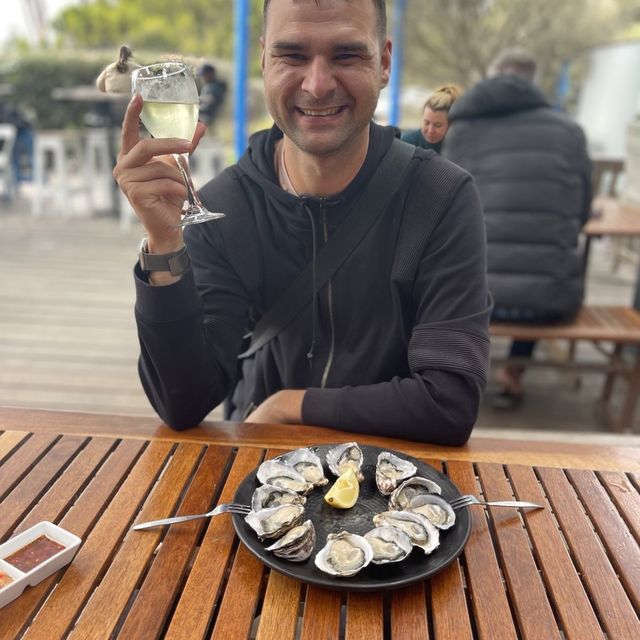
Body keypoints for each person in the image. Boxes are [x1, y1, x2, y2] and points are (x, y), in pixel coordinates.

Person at [113, 0, 491, 445]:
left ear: (384, 62)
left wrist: (292, 405)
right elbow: (183, 404)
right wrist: (163, 243)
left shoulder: (440, 196)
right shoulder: (225, 205)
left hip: (392, 482)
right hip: (261, 481)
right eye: (292, 56)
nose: (317, 84)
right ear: (263, 60)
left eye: (346, 55)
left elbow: (449, 402)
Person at [442, 49, 592, 409]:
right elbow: (583, 211)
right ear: (532, 83)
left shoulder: (462, 129)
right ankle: (513, 372)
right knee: (540, 270)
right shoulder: (570, 132)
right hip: (551, 302)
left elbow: (440, 211)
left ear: (492, 79)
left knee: (478, 270)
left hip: (472, 301)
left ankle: (468, 369)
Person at [401, 84, 461, 152]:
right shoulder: (407, 143)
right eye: (426, 123)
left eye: (437, 125)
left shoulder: (461, 147)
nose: (430, 130)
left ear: (451, 124)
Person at [197, 63, 227, 128]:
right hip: (206, 116)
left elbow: (210, 100)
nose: (203, 77)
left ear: (211, 74)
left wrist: (196, 104)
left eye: (204, 75)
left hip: (207, 116)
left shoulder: (213, 87)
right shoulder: (210, 85)